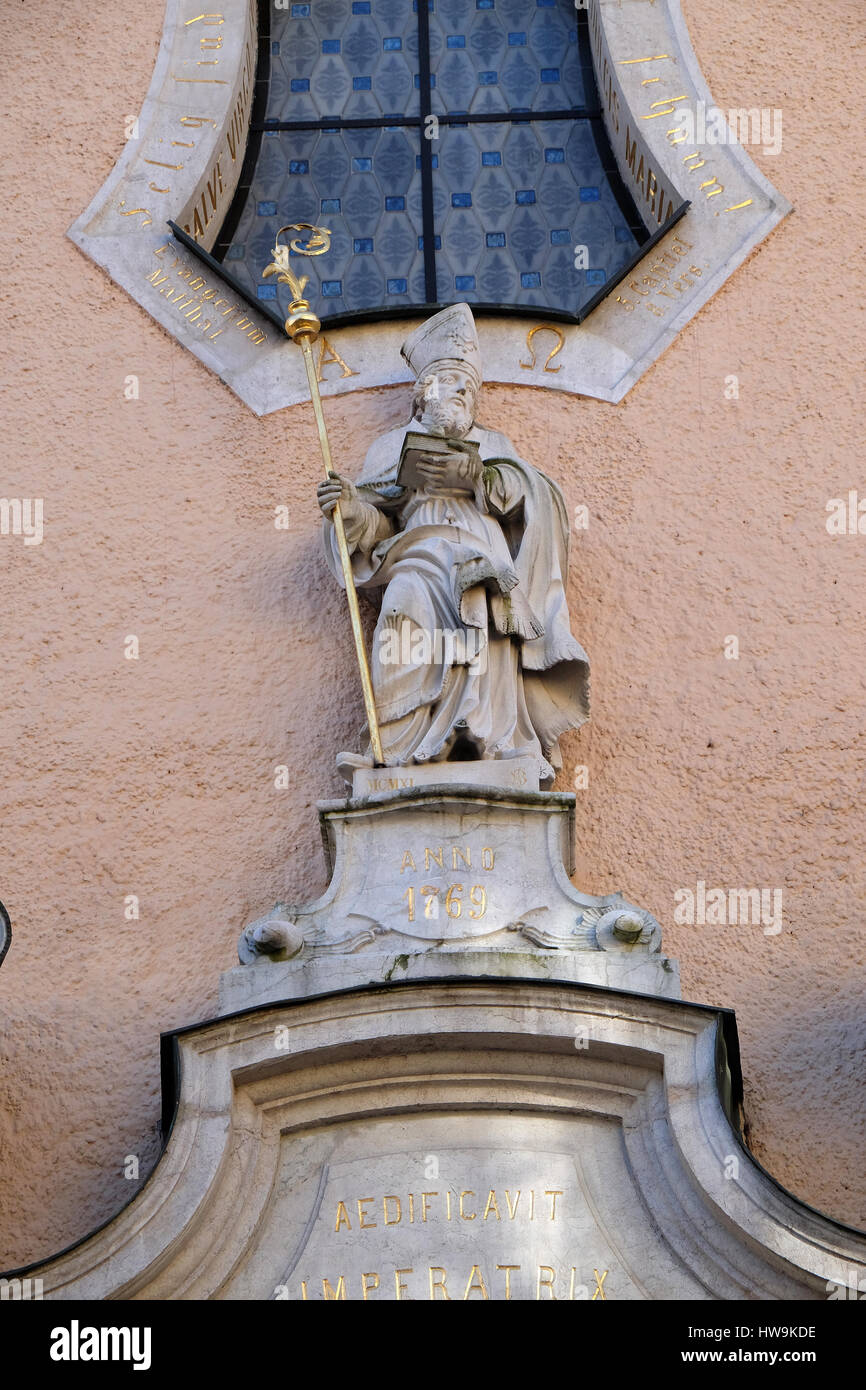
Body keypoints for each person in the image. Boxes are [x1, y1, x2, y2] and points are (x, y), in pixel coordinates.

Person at [317, 302, 589, 788]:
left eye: (467, 388)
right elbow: (377, 527)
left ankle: (492, 739)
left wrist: (479, 476)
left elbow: (536, 498)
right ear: (422, 396)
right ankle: (396, 749)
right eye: (448, 384)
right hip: (415, 557)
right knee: (402, 618)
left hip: (480, 551)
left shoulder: (493, 441)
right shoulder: (388, 447)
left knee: (485, 624)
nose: (459, 394)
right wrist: (351, 507)